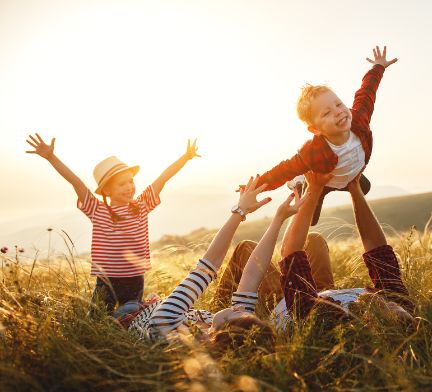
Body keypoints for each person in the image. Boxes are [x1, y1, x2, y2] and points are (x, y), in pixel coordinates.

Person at [121, 176, 307, 354]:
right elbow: (252, 273)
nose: (239, 309)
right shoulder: (226, 331)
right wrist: (278, 220)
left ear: (216, 334)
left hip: (138, 311)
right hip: (167, 307)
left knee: (125, 306)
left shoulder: (166, 324)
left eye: (237, 314)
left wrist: (240, 210)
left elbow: (208, 265)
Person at [26, 133, 200, 314]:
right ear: (107, 190)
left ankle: (129, 315)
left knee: (131, 315)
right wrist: (51, 157)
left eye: (130, 181)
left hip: (134, 278)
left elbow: (163, 178)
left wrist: (185, 157)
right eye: (121, 184)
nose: (129, 187)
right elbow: (75, 181)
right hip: (106, 280)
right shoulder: (97, 209)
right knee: (97, 317)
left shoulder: (141, 206)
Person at [251, 46, 398, 225]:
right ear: (315, 130)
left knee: (364, 188)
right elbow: (284, 170)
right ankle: (300, 182)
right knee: (310, 220)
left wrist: (378, 67)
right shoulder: (313, 152)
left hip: (349, 173)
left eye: (338, 104)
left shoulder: (359, 120)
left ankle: (346, 180)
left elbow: (367, 93)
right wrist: (255, 188)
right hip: (325, 180)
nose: (338, 112)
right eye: (326, 113)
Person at [274, 170, 414, 328]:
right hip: (324, 292)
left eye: (396, 314)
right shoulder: (398, 303)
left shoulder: (330, 321)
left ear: (377, 323)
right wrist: (355, 187)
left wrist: (313, 188)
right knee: (314, 240)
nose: (398, 307)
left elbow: (289, 252)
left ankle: (303, 190)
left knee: (247, 250)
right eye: (408, 314)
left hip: (284, 301)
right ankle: (309, 189)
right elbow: (377, 250)